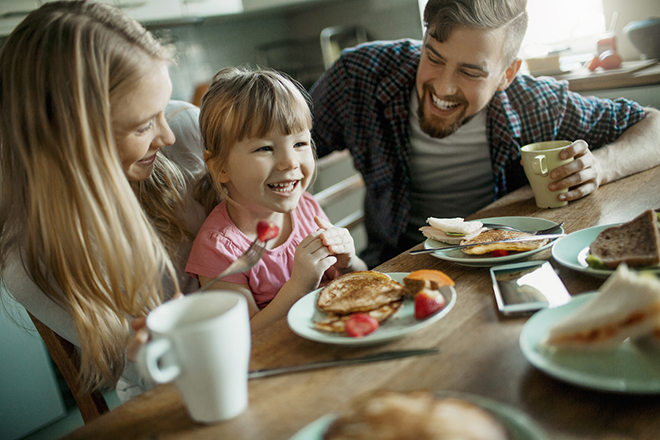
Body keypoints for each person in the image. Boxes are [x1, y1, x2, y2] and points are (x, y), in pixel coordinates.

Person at [309, 0, 660, 268]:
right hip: (396, 265)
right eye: (433, 56)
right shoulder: (360, 76)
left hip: (504, 264)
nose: (443, 87)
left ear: (507, 74)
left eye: (470, 72)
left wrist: (601, 166)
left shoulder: (536, 103)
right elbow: (282, 144)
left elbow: (654, 125)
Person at [0, 1, 207, 402]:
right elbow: (140, 375)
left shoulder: (186, 132)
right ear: (71, 138)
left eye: (161, 109)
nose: (165, 136)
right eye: (143, 125)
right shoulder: (30, 260)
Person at [185, 66, 368, 332]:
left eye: (300, 144)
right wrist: (298, 286)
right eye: (265, 148)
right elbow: (245, 337)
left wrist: (349, 261)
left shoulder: (306, 208)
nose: (289, 162)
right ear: (220, 168)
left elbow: (353, 280)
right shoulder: (219, 249)